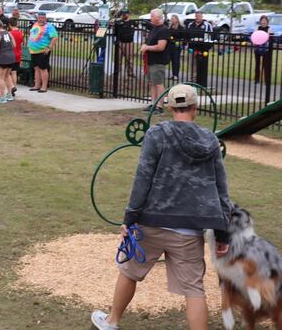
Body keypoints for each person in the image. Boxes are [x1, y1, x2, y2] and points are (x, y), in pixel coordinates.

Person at [91, 84, 232, 330]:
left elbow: (142, 177)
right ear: (195, 107)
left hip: (151, 223)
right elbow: (221, 190)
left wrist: (130, 217)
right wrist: (223, 232)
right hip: (189, 230)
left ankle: (111, 322)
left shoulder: (157, 134)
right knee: (194, 289)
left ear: (168, 106)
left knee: (129, 271)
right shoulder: (210, 140)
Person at [141, 9, 171, 113]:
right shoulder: (154, 28)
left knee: (158, 83)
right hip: (150, 60)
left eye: (152, 16)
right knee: (151, 83)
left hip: (158, 61)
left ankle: (160, 105)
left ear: (158, 17)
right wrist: (145, 46)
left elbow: (161, 47)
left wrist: (147, 48)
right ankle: (153, 103)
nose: (150, 18)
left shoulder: (164, 30)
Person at [27, 11, 58, 93]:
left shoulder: (49, 27)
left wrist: (49, 47)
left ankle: (44, 87)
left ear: (45, 18)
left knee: (43, 68)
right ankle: (37, 85)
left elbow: (54, 37)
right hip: (33, 51)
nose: (41, 19)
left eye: (43, 18)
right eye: (39, 18)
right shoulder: (35, 24)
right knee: (36, 68)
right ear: (37, 18)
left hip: (43, 51)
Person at [187, 10, 213, 88]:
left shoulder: (207, 25)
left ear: (202, 16)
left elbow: (210, 37)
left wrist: (206, 47)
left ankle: (202, 84)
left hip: (203, 49)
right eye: (196, 16)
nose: (197, 17)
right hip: (192, 49)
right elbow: (188, 36)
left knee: (202, 66)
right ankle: (193, 81)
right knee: (192, 66)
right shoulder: (191, 25)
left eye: (199, 16)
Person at [0, 19, 16, 103]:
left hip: (3, 57)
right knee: (7, 76)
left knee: (1, 78)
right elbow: (14, 45)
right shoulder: (9, 33)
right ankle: (9, 95)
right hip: (11, 56)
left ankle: (2, 97)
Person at [113, 9, 136, 78]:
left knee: (129, 59)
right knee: (118, 59)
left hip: (129, 43)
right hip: (120, 43)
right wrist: (116, 16)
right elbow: (114, 30)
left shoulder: (133, 22)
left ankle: (130, 73)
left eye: (125, 13)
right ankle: (117, 73)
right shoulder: (119, 22)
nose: (123, 15)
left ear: (129, 14)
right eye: (122, 13)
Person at [253, 15, 272, 85]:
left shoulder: (269, 28)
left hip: (266, 49)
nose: (263, 22)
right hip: (258, 48)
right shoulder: (258, 28)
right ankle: (256, 80)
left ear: (267, 22)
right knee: (257, 64)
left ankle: (267, 81)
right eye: (262, 20)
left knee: (266, 65)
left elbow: (269, 36)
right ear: (260, 21)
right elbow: (254, 36)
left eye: (265, 20)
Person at [168, 14, 186, 81]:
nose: (172, 20)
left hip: (177, 46)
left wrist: (180, 42)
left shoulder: (181, 27)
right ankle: (173, 74)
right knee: (170, 60)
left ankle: (176, 75)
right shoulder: (170, 27)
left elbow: (183, 37)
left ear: (177, 19)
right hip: (170, 46)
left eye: (173, 18)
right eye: (171, 19)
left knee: (176, 61)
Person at [9, 17, 24, 95]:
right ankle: (14, 86)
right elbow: (21, 44)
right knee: (14, 72)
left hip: (10, 54)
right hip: (18, 54)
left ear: (9, 24)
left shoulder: (9, 33)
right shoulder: (21, 33)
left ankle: (11, 87)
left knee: (8, 73)